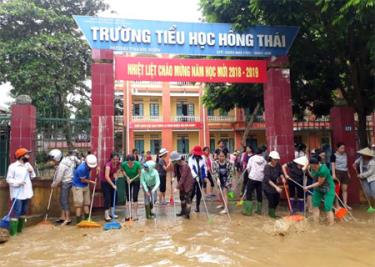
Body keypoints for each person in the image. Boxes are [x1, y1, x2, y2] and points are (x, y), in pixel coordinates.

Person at [6, 148, 36, 236]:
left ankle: (19, 230)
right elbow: (8, 179)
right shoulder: (12, 166)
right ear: (21, 156)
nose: (28, 156)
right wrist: (18, 183)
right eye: (27, 154)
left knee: (23, 211)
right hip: (17, 193)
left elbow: (33, 176)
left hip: (26, 192)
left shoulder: (28, 165)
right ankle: (13, 233)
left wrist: (31, 172)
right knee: (17, 211)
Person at [304, 157, 335, 225]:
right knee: (315, 205)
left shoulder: (323, 170)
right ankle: (316, 224)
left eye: (313, 167)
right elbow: (313, 176)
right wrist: (307, 169)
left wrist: (307, 187)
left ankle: (331, 225)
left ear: (317, 164)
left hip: (328, 188)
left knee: (327, 207)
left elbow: (319, 182)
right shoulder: (313, 167)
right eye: (311, 167)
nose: (313, 168)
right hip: (318, 189)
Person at [51, 149, 77, 225]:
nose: (53, 161)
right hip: (70, 180)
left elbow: (58, 178)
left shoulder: (62, 165)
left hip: (66, 182)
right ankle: (63, 217)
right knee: (62, 199)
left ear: (57, 158)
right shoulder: (67, 160)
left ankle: (68, 218)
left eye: (53, 159)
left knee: (64, 200)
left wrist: (53, 184)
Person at [72, 154, 98, 224]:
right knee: (79, 205)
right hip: (78, 186)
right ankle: (79, 222)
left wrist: (97, 171)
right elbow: (83, 180)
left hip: (85, 186)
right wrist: (92, 182)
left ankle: (87, 219)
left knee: (86, 203)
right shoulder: (81, 168)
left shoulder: (90, 166)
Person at [242, 147, 267, 216]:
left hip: (252, 177)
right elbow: (265, 169)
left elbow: (248, 168)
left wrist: (250, 174)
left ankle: (248, 211)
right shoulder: (264, 160)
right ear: (261, 153)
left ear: (255, 152)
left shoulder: (252, 158)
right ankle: (259, 210)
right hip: (260, 178)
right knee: (259, 193)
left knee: (249, 193)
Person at [170, 151, 195, 219]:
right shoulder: (176, 165)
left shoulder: (185, 166)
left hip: (188, 184)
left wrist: (176, 187)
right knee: (182, 199)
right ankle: (182, 212)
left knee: (187, 200)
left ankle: (187, 215)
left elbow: (183, 178)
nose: (172, 162)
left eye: (173, 160)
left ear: (177, 159)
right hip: (181, 185)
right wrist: (173, 177)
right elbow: (175, 172)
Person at [263, 151, 285, 218]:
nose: (276, 161)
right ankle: (272, 216)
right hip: (267, 185)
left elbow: (280, 172)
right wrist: (276, 187)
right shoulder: (267, 167)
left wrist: (282, 177)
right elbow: (268, 180)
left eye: (277, 160)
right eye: (275, 160)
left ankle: (271, 211)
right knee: (271, 200)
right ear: (270, 159)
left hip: (274, 184)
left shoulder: (278, 165)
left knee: (277, 198)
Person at [212, 150, 234, 214]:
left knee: (224, 192)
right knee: (220, 193)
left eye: (223, 156)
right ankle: (222, 204)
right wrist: (217, 178)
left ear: (225, 156)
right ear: (218, 156)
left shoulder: (229, 163)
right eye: (220, 156)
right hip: (219, 180)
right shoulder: (214, 163)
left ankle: (226, 209)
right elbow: (214, 172)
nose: (221, 157)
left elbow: (231, 173)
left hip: (227, 180)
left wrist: (228, 182)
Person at [121, 155, 142, 221]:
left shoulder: (137, 164)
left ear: (133, 161)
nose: (129, 163)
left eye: (131, 162)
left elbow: (139, 174)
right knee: (128, 197)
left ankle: (135, 214)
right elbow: (123, 171)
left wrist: (132, 179)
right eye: (128, 162)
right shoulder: (124, 164)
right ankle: (128, 214)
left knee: (135, 197)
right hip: (127, 180)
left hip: (136, 180)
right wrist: (127, 177)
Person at [331, 142, 351, 209]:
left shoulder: (345, 154)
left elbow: (346, 164)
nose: (343, 149)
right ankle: (337, 205)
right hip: (337, 172)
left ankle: (345, 204)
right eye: (341, 148)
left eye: (344, 148)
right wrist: (333, 174)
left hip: (345, 172)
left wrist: (348, 173)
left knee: (345, 189)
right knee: (337, 189)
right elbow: (333, 165)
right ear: (337, 148)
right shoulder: (333, 155)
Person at [101, 152, 120, 222]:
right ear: (111, 159)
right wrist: (113, 185)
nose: (115, 161)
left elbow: (118, 169)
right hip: (105, 182)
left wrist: (116, 175)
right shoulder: (108, 165)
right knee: (107, 198)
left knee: (114, 197)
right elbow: (106, 176)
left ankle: (112, 213)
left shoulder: (118, 163)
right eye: (114, 159)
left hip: (112, 180)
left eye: (117, 159)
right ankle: (106, 215)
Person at [188, 145, 207, 213]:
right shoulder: (190, 159)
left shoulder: (203, 157)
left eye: (198, 154)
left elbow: (204, 167)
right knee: (192, 192)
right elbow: (191, 169)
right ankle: (188, 206)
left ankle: (197, 207)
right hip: (193, 178)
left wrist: (205, 176)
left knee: (199, 193)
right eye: (196, 154)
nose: (197, 156)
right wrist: (196, 176)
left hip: (201, 177)